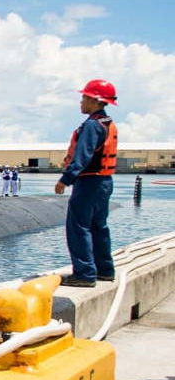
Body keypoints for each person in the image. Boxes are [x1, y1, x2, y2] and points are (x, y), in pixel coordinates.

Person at [54, 79, 119, 288]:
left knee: (79, 227)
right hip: (104, 181)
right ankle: (105, 270)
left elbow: (82, 156)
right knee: (99, 227)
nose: (81, 102)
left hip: (89, 182)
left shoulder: (92, 125)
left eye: (84, 98)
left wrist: (65, 179)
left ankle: (84, 274)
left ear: (95, 100)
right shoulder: (107, 123)